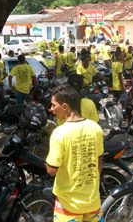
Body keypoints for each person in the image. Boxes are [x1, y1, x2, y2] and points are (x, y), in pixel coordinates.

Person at [46, 85, 104, 222]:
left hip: (68, 205)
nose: (51, 109)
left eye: (54, 105)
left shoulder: (59, 133)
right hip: (92, 202)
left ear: (65, 106)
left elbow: (51, 170)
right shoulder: (95, 128)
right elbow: (99, 162)